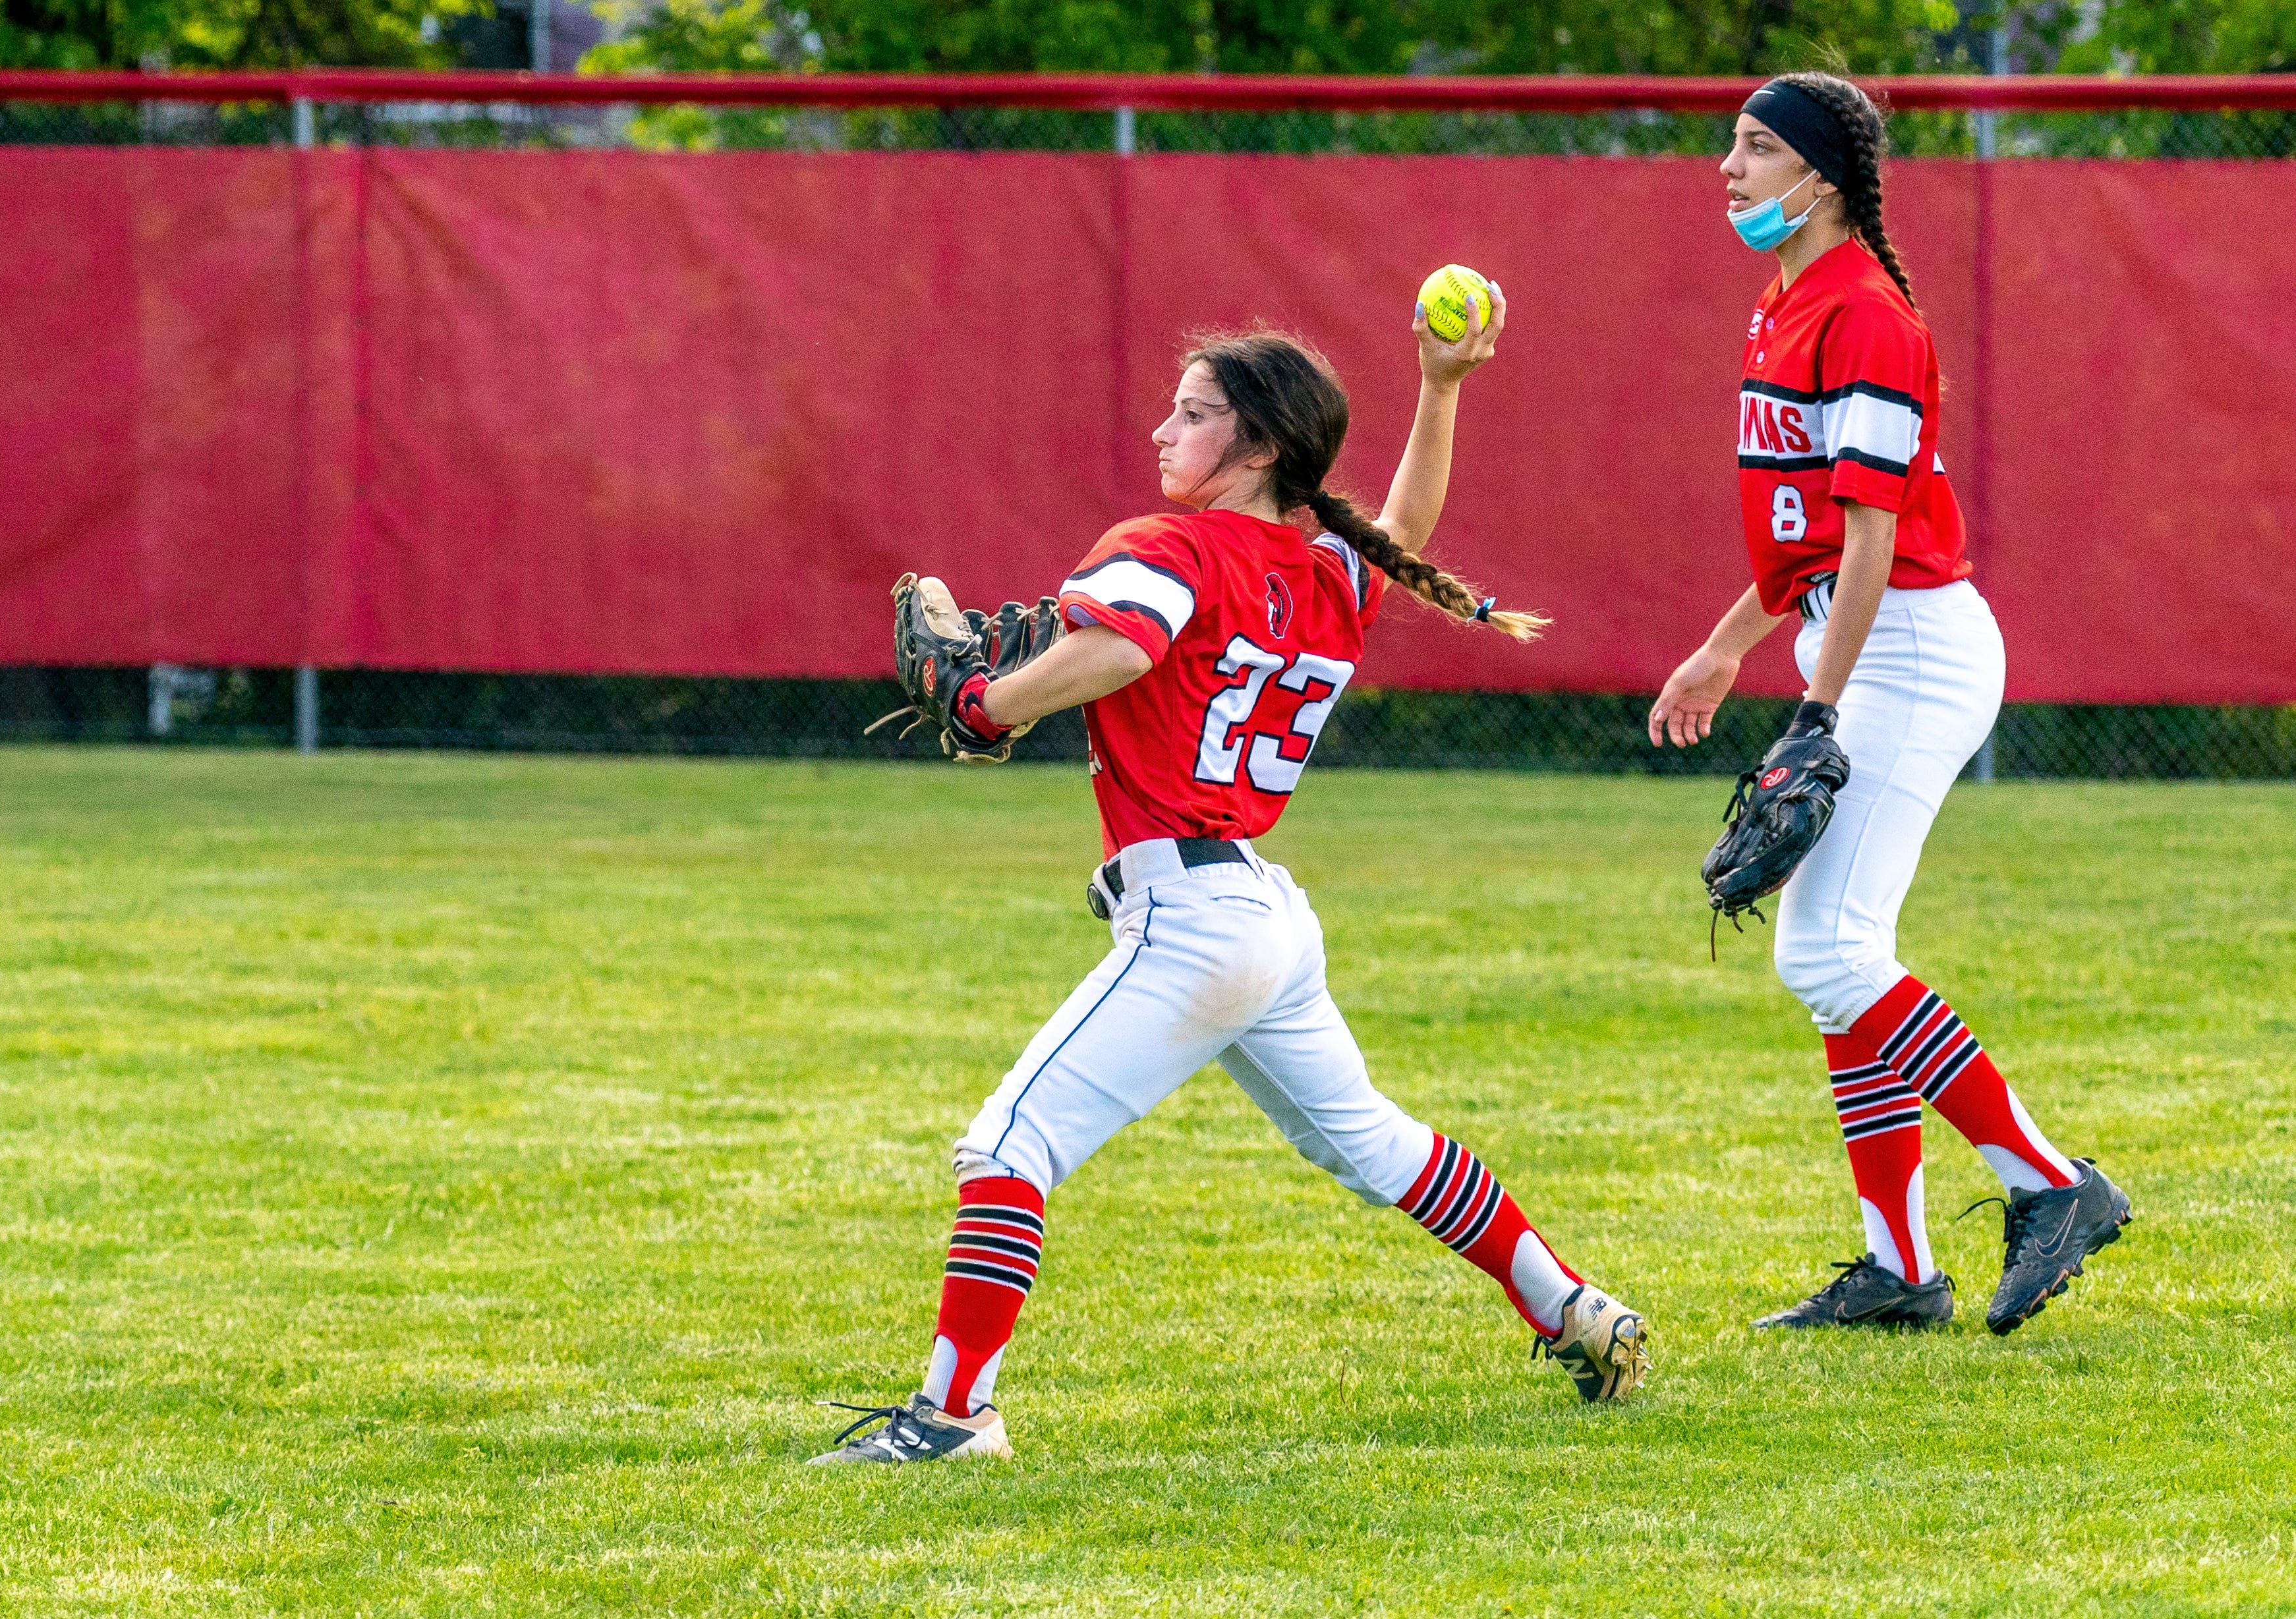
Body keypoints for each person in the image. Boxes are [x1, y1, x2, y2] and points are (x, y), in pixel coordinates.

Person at [811, 295, 1651, 1465]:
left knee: (1007, 1146)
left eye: (1194, 413)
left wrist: (982, 702)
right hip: (1261, 911)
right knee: (1372, 1143)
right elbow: (1399, 526)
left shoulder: (1175, 547)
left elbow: (1120, 646)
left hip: (1192, 916)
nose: (1163, 430)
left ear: (1257, 449)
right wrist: (1442, 386)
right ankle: (1568, 1303)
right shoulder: (1324, 572)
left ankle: (950, 1420)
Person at [1648, 72, 2131, 1335]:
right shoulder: (1785, 303)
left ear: (1818, 175)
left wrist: (1813, 708)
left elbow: (1869, 545)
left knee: (1828, 949)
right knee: (1831, 958)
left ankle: (2048, 1183)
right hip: (1863, 636)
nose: (1728, 168)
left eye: (1754, 148)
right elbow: (1810, 546)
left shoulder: (1860, 315)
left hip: (1907, 648)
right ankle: (1899, 1269)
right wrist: (1718, 650)